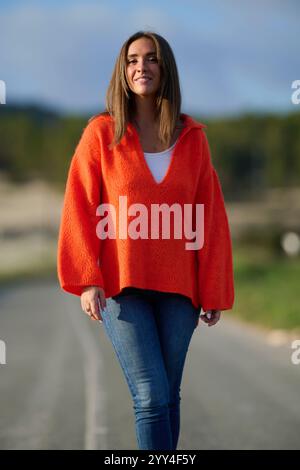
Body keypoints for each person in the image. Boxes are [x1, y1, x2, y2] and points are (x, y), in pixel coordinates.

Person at [57, 30, 234, 450]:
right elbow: (78, 206)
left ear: (164, 68)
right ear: (123, 70)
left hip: (180, 291)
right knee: (151, 397)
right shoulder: (101, 134)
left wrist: (214, 290)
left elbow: (210, 219)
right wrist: (87, 277)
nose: (142, 67)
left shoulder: (193, 138)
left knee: (169, 396)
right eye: (133, 60)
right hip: (123, 288)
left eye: (151, 59)